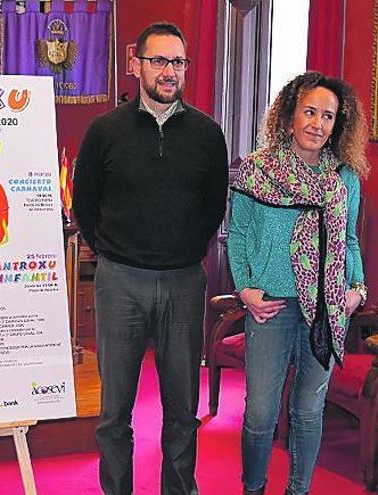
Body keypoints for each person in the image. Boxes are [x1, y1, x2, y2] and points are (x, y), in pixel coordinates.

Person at [73, 21, 229, 495]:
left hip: (184, 282)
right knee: (114, 412)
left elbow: (213, 204)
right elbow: (84, 203)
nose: (168, 71)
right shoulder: (104, 131)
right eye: (159, 60)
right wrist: (111, 251)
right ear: (137, 64)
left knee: (182, 410)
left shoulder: (207, 133)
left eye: (177, 62)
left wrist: (184, 251)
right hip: (120, 281)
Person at [228, 72, 369, 495]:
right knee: (260, 414)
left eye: (328, 116)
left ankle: (298, 490)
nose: (317, 123)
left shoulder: (345, 180)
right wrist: (244, 289)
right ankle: (252, 488)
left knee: (309, 411)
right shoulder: (256, 170)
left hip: (326, 310)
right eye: (309, 111)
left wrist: (357, 289)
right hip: (269, 305)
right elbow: (237, 234)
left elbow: (348, 240)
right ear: (289, 117)